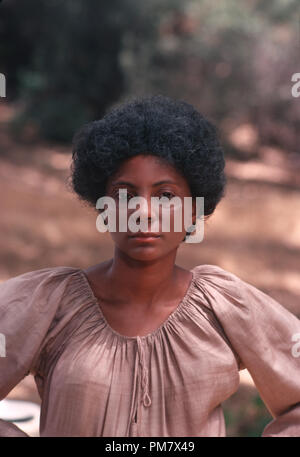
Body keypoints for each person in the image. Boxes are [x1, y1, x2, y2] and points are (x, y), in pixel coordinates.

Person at [0, 95, 299, 437]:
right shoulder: (50, 304)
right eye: (125, 194)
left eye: (166, 196)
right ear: (103, 207)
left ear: (192, 210)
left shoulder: (224, 307)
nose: (144, 211)